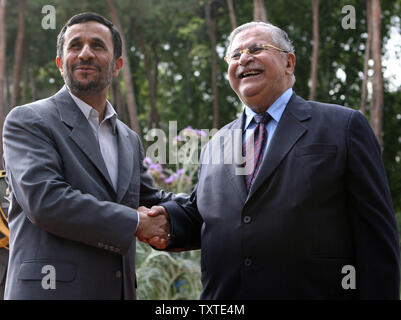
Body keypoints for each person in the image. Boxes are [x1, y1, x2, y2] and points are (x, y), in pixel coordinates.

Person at [147, 21, 400, 299]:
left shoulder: (344, 126)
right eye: (235, 54)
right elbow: (205, 215)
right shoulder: (216, 143)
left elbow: (377, 243)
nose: (244, 58)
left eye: (256, 48)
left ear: (288, 63)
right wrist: (166, 221)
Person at [2, 12, 179, 300]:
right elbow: (46, 201)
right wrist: (136, 222)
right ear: (61, 64)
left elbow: (151, 201)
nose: (85, 53)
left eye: (97, 46)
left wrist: (216, 207)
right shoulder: (28, 120)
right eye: (75, 46)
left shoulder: (128, 139)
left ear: (117, 64)